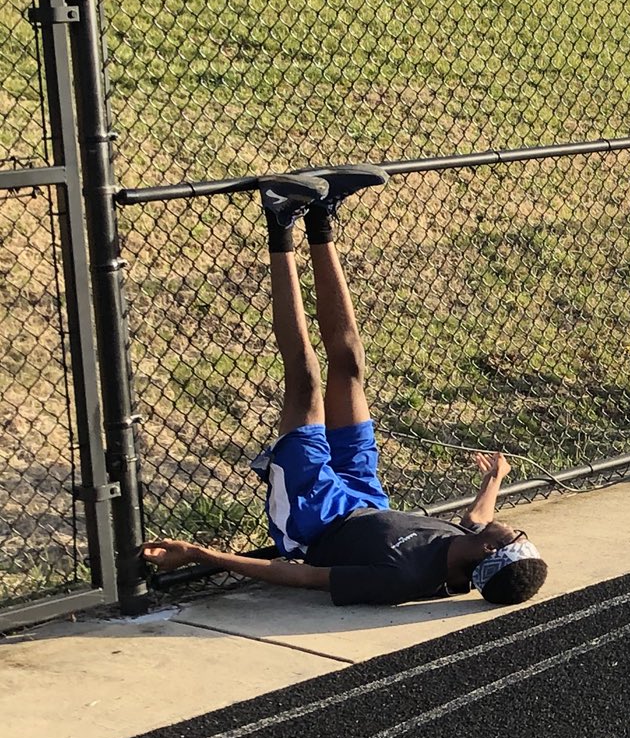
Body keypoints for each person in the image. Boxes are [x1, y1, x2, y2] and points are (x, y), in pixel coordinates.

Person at [139, 168, 548, 608]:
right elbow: (476, 520)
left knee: (305, 377)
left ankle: (279, 217)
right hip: (364, 490)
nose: (514, 527)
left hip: (313, 516)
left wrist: (202, 554)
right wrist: (493, 479)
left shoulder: (400, 579)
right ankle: (320, 215)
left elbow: (304, 577)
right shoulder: (466, 558)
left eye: (516, 535)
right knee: (351, 361)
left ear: (491, 550)